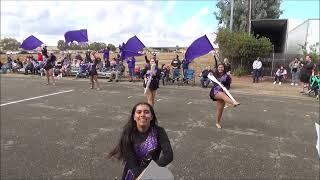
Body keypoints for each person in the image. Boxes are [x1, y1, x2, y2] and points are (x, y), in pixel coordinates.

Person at [107, 102, 173, 180]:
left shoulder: (159, 131)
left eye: (146, 112)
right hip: (134, 171)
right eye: (139, 112)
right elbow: (131, 161)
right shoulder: (128, 133)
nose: (142, 115)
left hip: (154, 169)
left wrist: (151, 171)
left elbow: (168, 155)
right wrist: (140, 176)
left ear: (151, 117)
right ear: (134, 117)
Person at [209, 63, 240, 129]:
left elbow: (228, 86)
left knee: (220, 109)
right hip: (215, 91)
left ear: (224, 68)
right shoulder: (214, 74)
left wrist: (225, 87)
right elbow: (206, 74)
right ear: (217, 68)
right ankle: (233, 102)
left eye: (222, 67)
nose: (220, 68)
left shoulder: (227, 76)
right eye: (219, 67)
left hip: (223, 92)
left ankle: (217, 123)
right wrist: (209, 73)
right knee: (221, 94)